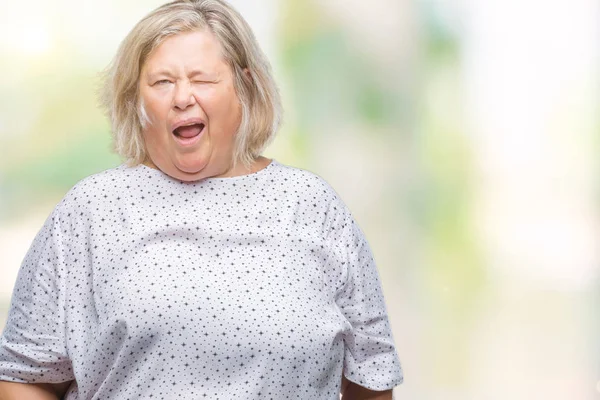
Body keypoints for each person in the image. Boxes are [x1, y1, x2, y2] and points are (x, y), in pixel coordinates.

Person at [0, 0, 403, 399]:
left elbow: (371, 377)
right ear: (136, 101)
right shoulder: (92, 209)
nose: (182, 98)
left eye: (202, 79)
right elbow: (22, 376)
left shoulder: (314, 206)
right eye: (162, 82)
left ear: (245, 87)